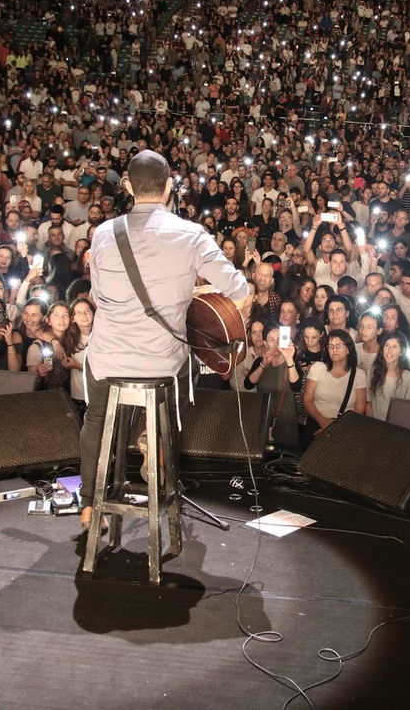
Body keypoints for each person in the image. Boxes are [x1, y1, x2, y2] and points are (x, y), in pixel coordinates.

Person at [78, 150, 250, 535]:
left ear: (127, 187)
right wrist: (191, 287)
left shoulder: (103, 233)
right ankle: (155, 441)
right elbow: (237, 288)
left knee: (96, 418)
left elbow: (97, 295)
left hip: (108, 357)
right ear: (170, 186)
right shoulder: (191, 235)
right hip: (159, 365)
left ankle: (91, 503)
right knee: (183, 367)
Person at [302, 329, 368, 434]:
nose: (334, 349)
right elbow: (307, 400)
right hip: (316, 422)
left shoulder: (359, 375)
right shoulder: (318, 368)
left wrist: (337, 427)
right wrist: (323, 422)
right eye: (331, 346)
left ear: (348, 349)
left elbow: (359, 407)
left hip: (345, 428)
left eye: (339, 346)